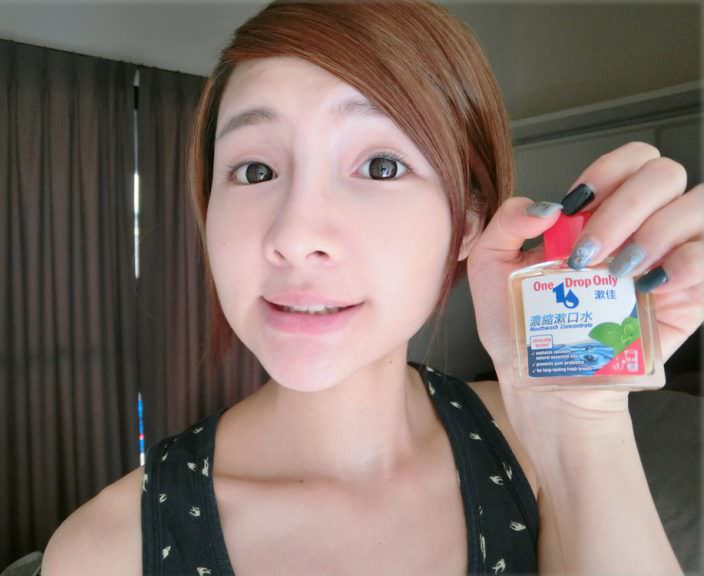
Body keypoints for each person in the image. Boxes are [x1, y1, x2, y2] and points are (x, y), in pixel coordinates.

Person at [42, 1, 702, 574]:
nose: (294, 235)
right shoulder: (106, 551)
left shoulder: (534, 449)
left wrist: (583, 427)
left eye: (381, 165)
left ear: (469, 220)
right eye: (255, 170)